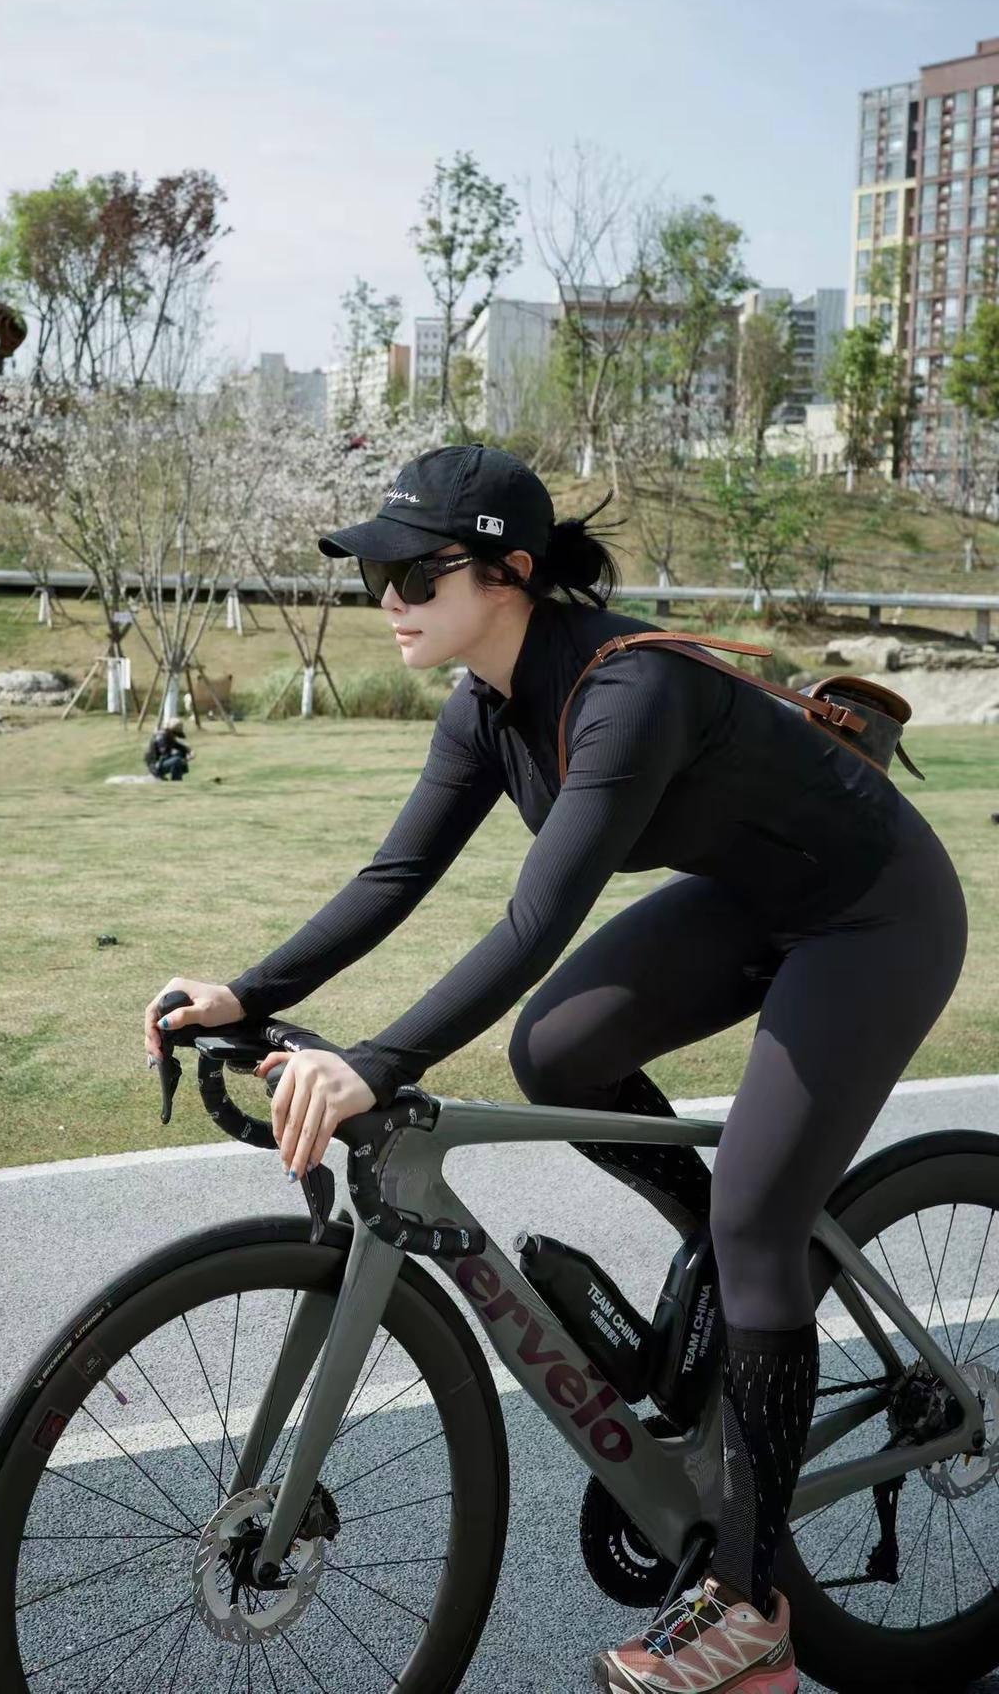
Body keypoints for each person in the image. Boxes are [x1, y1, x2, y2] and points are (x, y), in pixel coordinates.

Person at [144, 442, 968, 1692]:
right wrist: (249, 993)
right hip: (754, 900)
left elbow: (536, 922)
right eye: (378, 571)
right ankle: (738, 1276)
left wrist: (375, 1060)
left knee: (752, 1211)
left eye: (415, 569)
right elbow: (394, 875)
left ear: (510, 572)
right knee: (559, 1048)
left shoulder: (620, 692)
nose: (388, 598)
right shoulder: (484, 702)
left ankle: (750, 1610)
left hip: (877, 914)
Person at [145, 716, 191, 783]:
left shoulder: (168, 736)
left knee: (181, 754)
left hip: (160, 762)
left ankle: (178, 778)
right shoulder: (161, 737)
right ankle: (176, 782)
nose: (176, 737)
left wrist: (188, 751)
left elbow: (179, 747)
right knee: (177, 760)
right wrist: (185, 760)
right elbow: (164, 756)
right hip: (155, 766)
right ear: (172, 731)